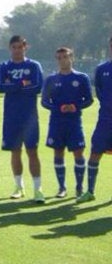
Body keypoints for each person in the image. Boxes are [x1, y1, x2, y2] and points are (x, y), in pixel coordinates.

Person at [0, 35, 45, 203]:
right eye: (14, 47)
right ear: (10, 48)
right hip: (11, 117)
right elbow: (2, 87)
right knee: (15, 151)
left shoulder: (33, 65)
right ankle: (19, 187)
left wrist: (14, 84)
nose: (17, 50)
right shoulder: (3, 66)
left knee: (32, 151)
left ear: (25, 47)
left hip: (30, 117)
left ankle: (38, 189)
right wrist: (23, 83)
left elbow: (37, 87)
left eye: (20, 47)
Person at [41, 47, 93, 198]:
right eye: (59, 57)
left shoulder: (81, 78)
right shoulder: (51, 79)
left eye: (65, 56)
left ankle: (79, 187)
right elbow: (44, 102)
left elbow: (89, 99)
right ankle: (62, 187)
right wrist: (58, 108)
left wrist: (75, 107)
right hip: (57, 122)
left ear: (72, 58)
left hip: (74, 122)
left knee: (78, 153)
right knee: (58, 152)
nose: (62, 60)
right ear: (56, 60)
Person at [81, 36, 112, 202]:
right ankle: (90, 191)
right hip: (105, 119)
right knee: (95, 152)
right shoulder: (102, 69)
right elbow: (99, 92)